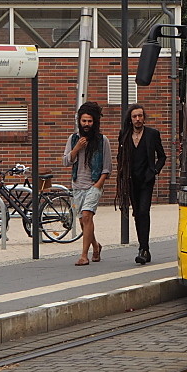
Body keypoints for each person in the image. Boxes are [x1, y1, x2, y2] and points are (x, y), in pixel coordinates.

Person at [116, 103, 166, 265]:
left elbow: (162, 156)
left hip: (146, 180)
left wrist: (154, 171)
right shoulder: (124, 134)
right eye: (134, 116)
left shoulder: (152, 134)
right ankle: (143, 248)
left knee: (144, 211)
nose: (138, 119)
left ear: (144, 118)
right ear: (130, 119)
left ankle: (143, 249)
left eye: (140, 116)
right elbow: (119, 155)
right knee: (137, 213)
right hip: (131, 180)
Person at [63, 100, 111, 266]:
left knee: (86, 215)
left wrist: (98, 185)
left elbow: (107, 168)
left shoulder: (102, 140)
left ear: (95, 122)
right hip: (77, 186)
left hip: (94, 184)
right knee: (84, 221)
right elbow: (66, 162)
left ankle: (84, 255)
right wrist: (76, 148)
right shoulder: (73, 139)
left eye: (90, 121)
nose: (87, 124)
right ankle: (96, 247)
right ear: (79, 121)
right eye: (84, 121)